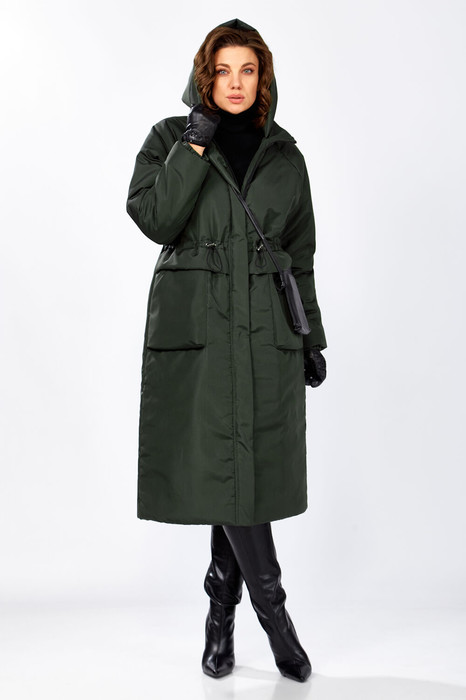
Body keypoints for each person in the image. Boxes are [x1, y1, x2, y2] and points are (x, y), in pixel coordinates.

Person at [126, 18, 327, 683]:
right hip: (202, 334)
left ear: (262, 77)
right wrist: (195, 143)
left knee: (241, 477)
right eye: (222, 70)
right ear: (204, 75)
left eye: (247, 70)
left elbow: (300, 257)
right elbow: (155, 217)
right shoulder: (169, 138)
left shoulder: (285, 156)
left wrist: (311, 338)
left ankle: (219, 618)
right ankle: (277, 620)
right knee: (230, 473)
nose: (234, 83)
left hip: (267, 333)